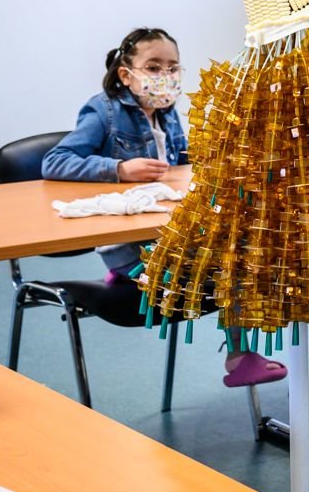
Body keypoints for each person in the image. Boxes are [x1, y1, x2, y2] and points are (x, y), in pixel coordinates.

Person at [42, 27, 287, 388]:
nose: (166, 77)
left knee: (243, 247)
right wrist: (119, 169)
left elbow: (182, 162)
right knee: (230, 262)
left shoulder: (167, 112)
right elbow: (55, 161)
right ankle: (239, 356)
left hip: (168, 234)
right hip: (131, 247)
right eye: (154, 67)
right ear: (126, 74)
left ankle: (246, 354)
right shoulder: (104, 111)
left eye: (173, 68)